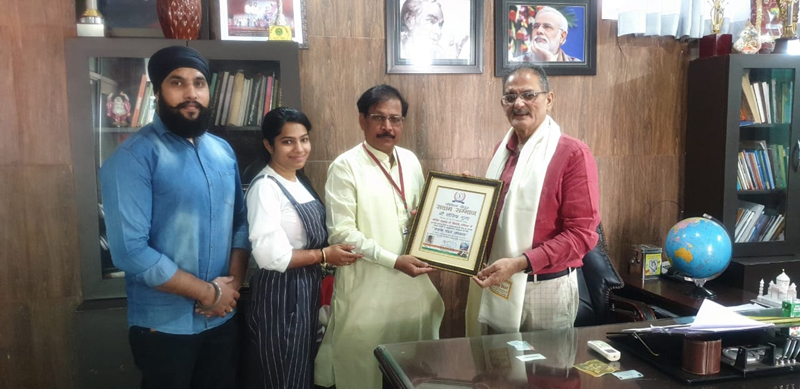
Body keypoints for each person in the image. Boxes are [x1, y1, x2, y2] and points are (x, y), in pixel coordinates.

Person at [100, 45, 249, 388]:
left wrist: (231, 288)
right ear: (157, 92)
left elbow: (239, 224)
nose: (191, 93)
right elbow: (130, 251)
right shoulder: (134, 157)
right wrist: (208, 293)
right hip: (164, 328)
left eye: (199, 83)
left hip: (223, 320)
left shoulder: (222, 151)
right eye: (177, 83)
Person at [315, 85, 445, 388]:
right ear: (362, 120)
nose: (388, 127)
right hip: (367, 294)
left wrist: (450, 201)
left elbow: (417, 214)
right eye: (379, 118)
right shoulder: (345, 167)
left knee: (414, 374)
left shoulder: (410, 160)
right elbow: (342, 233)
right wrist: (394, 261)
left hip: (412, 293)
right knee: (364, 373)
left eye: (396, 119)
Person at [468, 63, 600, 334]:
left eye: (529, 95)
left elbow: (581, 235)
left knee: (546, 375)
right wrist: (464, 202)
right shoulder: (502, 152)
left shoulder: (573, 154)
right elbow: (497, 217)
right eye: (510, 96)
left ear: (549, 99)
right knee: (497, 371)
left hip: (546, 289)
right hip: (500, 283)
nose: (518, 103)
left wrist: (520, 263)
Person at [243, 107, 361, 389]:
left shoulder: (298, 181)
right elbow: (271, 256)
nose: (299, 148)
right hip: (280, 295)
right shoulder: (265, 187)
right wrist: (323, 255)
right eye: (288, 141)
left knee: (303, 372)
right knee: (284, 376)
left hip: (306, 290)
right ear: (269, 145)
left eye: (304, 139)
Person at [399, 0, 470, 61]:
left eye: (440, 25)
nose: (439, 32)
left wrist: (449, 61)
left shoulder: (438, 54)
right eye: (431, 21)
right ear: (409, 20)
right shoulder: (397, 53)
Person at [512, 6, 580, 62]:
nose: (539, 30)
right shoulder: (517, 63)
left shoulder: (577, 65)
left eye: (547, 27)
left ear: (562, 37)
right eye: (536, 26)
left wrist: (551, 62)